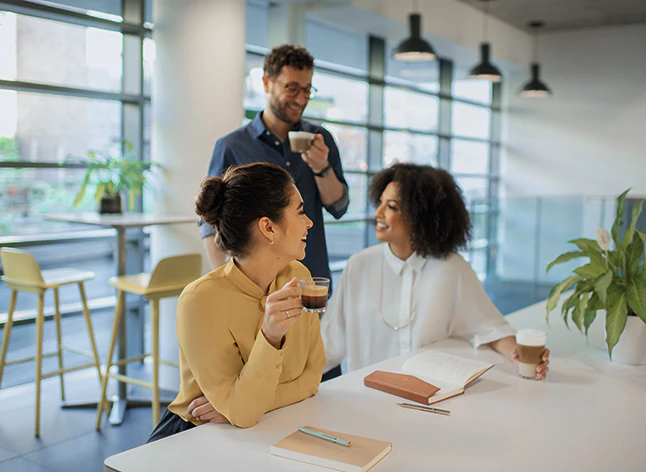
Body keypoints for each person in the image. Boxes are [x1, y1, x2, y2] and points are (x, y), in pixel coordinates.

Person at [148, 162, 326, 442]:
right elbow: (243, 414)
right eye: (300, 212)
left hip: (272, 429)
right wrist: (270, 336)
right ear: (268, 228)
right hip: (196, 437)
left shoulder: (298, 276)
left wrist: (238, 405)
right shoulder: (200, 301)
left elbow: (312, 376)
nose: (309, 223)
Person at [320, 163, 550, 379]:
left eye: (391, 207)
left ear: (420, 216)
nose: (378, 213)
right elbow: (329, 343)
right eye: (380, 202)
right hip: (365, 397)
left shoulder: (450, 267)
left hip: (431, 397)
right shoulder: (359, 266)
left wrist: (519, 355)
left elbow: (490, 327)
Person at [200, 43, 349, 283]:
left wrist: (322, 168)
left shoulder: (321, 140)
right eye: (292, 88)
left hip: (311, 280)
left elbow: (339, 206)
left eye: (307, 90)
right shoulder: (232, 146)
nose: (301, 99)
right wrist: (229, 285)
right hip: (258, 286)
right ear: (267, 83)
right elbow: (210, 223)